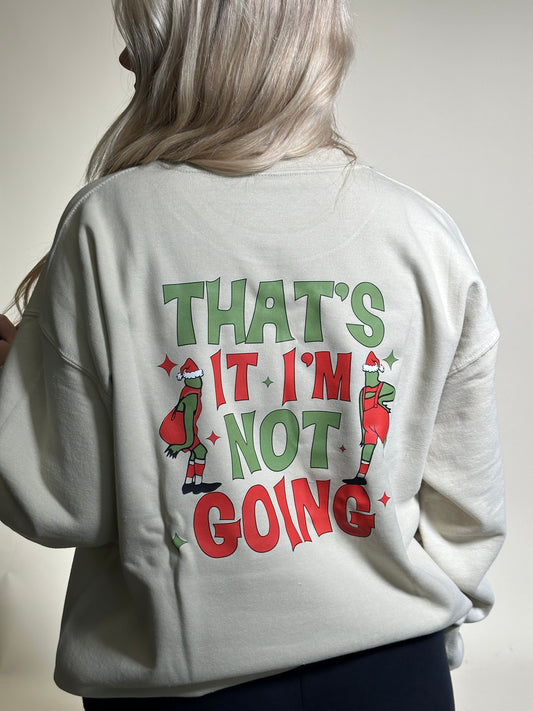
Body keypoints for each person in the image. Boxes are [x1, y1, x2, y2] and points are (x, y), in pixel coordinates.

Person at [0, 1, 505, 709]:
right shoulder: (421, 233)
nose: (125, 58)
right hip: (396, 672)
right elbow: (469, 512)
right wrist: (423, 634)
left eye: (142, 37)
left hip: (183, 683)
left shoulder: (109, 225)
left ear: (201, 50)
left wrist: (18, 394)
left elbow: (63, 503)